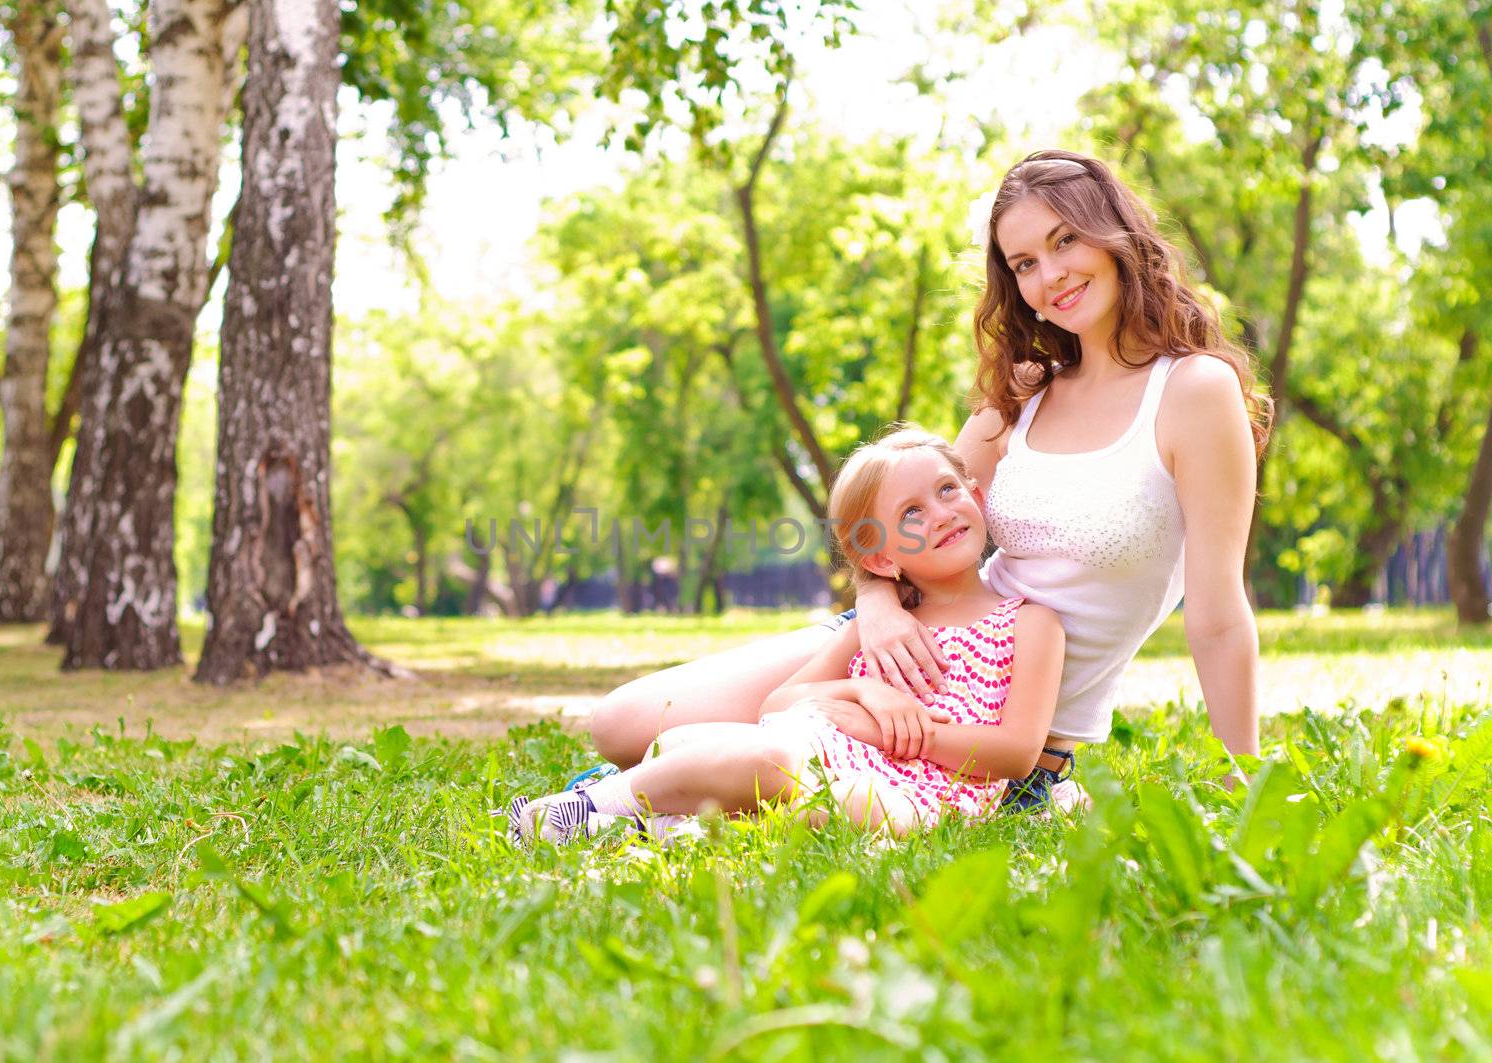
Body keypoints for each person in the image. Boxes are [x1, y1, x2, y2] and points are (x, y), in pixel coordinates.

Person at [583, 149, 1269, 804]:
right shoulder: (1026, 395)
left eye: (1066, 241)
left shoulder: (1193, 392)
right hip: (901, 639)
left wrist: (1242, 779)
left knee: (739, 764)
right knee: (618, 724)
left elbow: (1215, 617)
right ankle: (628, 794)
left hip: (989, 718)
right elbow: (899, 517)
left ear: (1114, 234)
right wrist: (879, 609)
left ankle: (632, 795)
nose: (1050, 275)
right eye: (1024, 262)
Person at [507, 429, 1066, 845]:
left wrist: (892, 734)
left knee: (791, 784)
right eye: (912, 512)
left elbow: (1017, 755)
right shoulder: (881, 623)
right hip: (821, 755)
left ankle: (603, 813)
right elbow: (780, 703)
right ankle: (620, 817)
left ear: (975, 492)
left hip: (922, 799)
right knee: (699, 743)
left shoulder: (1030, 623)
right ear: (880, 556)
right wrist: (861, 693)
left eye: (947, 490)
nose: (941, 513)